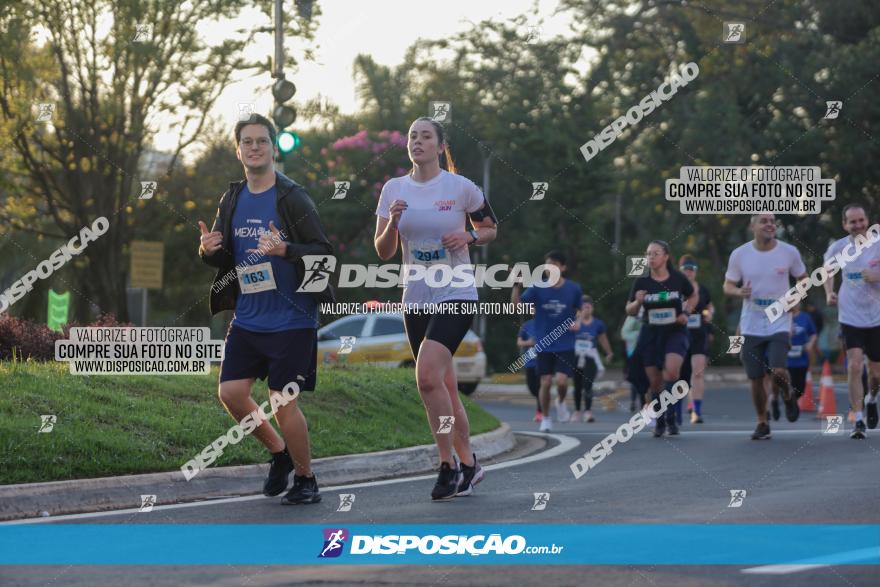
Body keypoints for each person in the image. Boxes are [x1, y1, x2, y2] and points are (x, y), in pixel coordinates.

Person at [198, 113, 330, 505]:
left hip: (292, 318)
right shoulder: (232, 197)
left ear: (273, 148)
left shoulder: (293, 197)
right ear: (238, 150)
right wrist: (206, 250)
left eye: (261, 141)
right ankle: (280, 454)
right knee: (231, 393)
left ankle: (307, 480)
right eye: (247, 142)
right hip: (249, 316)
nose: (254, 147)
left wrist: (286, 249)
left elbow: (323, 253)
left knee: (282, 399)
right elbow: (220, 255)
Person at [374, 117, 497, 500]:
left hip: (456, 292)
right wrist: (393, 222)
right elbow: (383, 251)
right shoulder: (393, 189)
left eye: (426, 136)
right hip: (416, 296)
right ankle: (470, 464)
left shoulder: (461, 188)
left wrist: (470, 235)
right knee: (444, 386)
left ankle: (447, 465)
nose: (418, 142)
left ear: (440, 145)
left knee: (426, 377)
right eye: (412, 136)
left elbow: (492, 227)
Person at [723, 213, 808, 440]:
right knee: (755, 378)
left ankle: (788, 395)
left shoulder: (789, 252)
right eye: (764, 221)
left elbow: (804, 279)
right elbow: (728, 285)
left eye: (772, 221)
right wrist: (738, 291)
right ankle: (762, 421)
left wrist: (796, 298)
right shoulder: (740, 254)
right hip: (751, 323)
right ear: (753, 226)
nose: (770, 224)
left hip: (779, 320)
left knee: (778, 370)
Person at [625, 240, 697, 437]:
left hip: (675, 331)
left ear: (666, 256)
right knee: (655, 383)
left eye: (656, 253)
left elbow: (693, 296)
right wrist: (638, 302)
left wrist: (687, 313)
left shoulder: (678, 278)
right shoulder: (641, 283)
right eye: (648, 254)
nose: (651, 257)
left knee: (672, 373)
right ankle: (662, 419)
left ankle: (672, 417)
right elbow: (629, 310)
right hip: (651, 332)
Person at [823, 204, 880, 438]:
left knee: (876, 373)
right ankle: (857, 419)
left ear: (867, 220)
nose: (857, 225)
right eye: (852, 222)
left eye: (861, 220)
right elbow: (826, 271)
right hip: (850, 316)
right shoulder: (838, 247)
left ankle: (872, 398)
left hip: (877, 317)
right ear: (844, 225)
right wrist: (829, 292)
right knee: (855, 366)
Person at [512, 251, 583, 431]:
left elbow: (580, 309)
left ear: (563, 268)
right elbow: (517, 306)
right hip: (544, 343)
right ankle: (545, 418)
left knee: (561, 381)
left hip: (566, 343)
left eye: (554, 264)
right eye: (547, 264)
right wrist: (515, 285)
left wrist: (578, 322)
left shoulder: (574, 289)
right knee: (545, 381)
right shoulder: (537, 287)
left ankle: (560, 401)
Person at [677, 255, 714, 424]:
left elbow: (709, 306)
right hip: (678, 336)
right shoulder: (674, 290)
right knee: (678, 376)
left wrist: (709, 314)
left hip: (699, 336)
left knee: (698, 372)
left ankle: (696, 412)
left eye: (691, 269)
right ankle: (675, 412)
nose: (689, 272)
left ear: (695, 272)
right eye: (686, 269)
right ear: (680, 271)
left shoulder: (703, 290)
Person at [571, 295, 613, 422]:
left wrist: (608, 352)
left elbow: (602, 339)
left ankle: (588, 411)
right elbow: (566, 338)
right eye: (584, 307)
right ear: (580, 309)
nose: (586, 310)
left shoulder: (598, 324)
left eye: (589, 307)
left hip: (590, 358)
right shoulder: (574, 322)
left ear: (592, 309)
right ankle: (577, 411)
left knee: (588, 385)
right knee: (577, 386)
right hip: (576, 357)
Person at [787, 303, 817, 407]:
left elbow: (813, 333)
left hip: (801, 357)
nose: (793, 305)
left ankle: (793, 400)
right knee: (786, 381)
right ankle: (788, 402)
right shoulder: (781, 318)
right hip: (785, 358)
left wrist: (810, 344)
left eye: (795, 302)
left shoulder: (805, 317)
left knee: (800, 388)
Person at [621, 310, 648, 411]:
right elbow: (624, 333)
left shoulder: (650, 316)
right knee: (635, 378)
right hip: (633, 353)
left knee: (646, 379)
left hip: (647, 352)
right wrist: (639, 335)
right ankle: (634, 401)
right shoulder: (632, 318)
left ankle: (645, 404)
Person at [517, 319, 542, 421]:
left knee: (541, 386)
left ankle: (540, 411)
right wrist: (528, 342)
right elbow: (519, 342)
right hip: (530, 360)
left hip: (543, 360)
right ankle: (543, 400)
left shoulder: (547, 322)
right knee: (532, 388)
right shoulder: (527, 325)